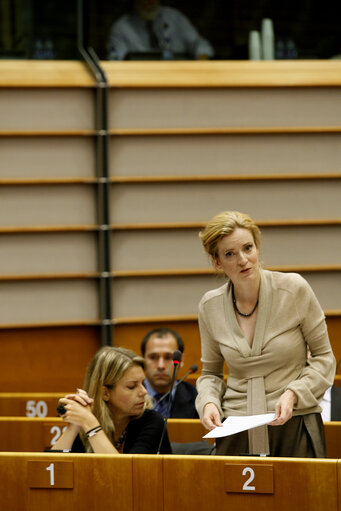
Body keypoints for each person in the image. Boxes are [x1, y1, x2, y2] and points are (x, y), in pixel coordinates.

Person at [195, 210, 336, 457]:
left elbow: (325, 358)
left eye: (248, 248)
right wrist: (208, 402)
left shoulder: (294, 289)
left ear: (257, 248)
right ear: (217, 262)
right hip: (235, 427)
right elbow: (210, 374)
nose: (243, 260)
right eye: (230, 254)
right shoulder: (210, 306)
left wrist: (294, 393)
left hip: (294, 421)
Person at [49, 346, 172, 454]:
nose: (144, 392)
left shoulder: (152, 421)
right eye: (132, 386)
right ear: (105, 393)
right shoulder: (85, 419)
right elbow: (53, 472)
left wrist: (90, 424)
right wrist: (73, 426)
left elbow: (124, 474)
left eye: (142, 383)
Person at [107, 0, 214, 60]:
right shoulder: (122, 27)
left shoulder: (174, 18)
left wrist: (202, 59)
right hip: (140, 84)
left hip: (176, 78)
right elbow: (115, 60)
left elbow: (198, 44)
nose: (149, 3)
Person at [141, 327, 199, 419]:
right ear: (143, 359)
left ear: (181, 360)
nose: (161, 366)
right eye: (153, 357)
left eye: (168, 357)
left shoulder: (198, 399)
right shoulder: (127, 397)